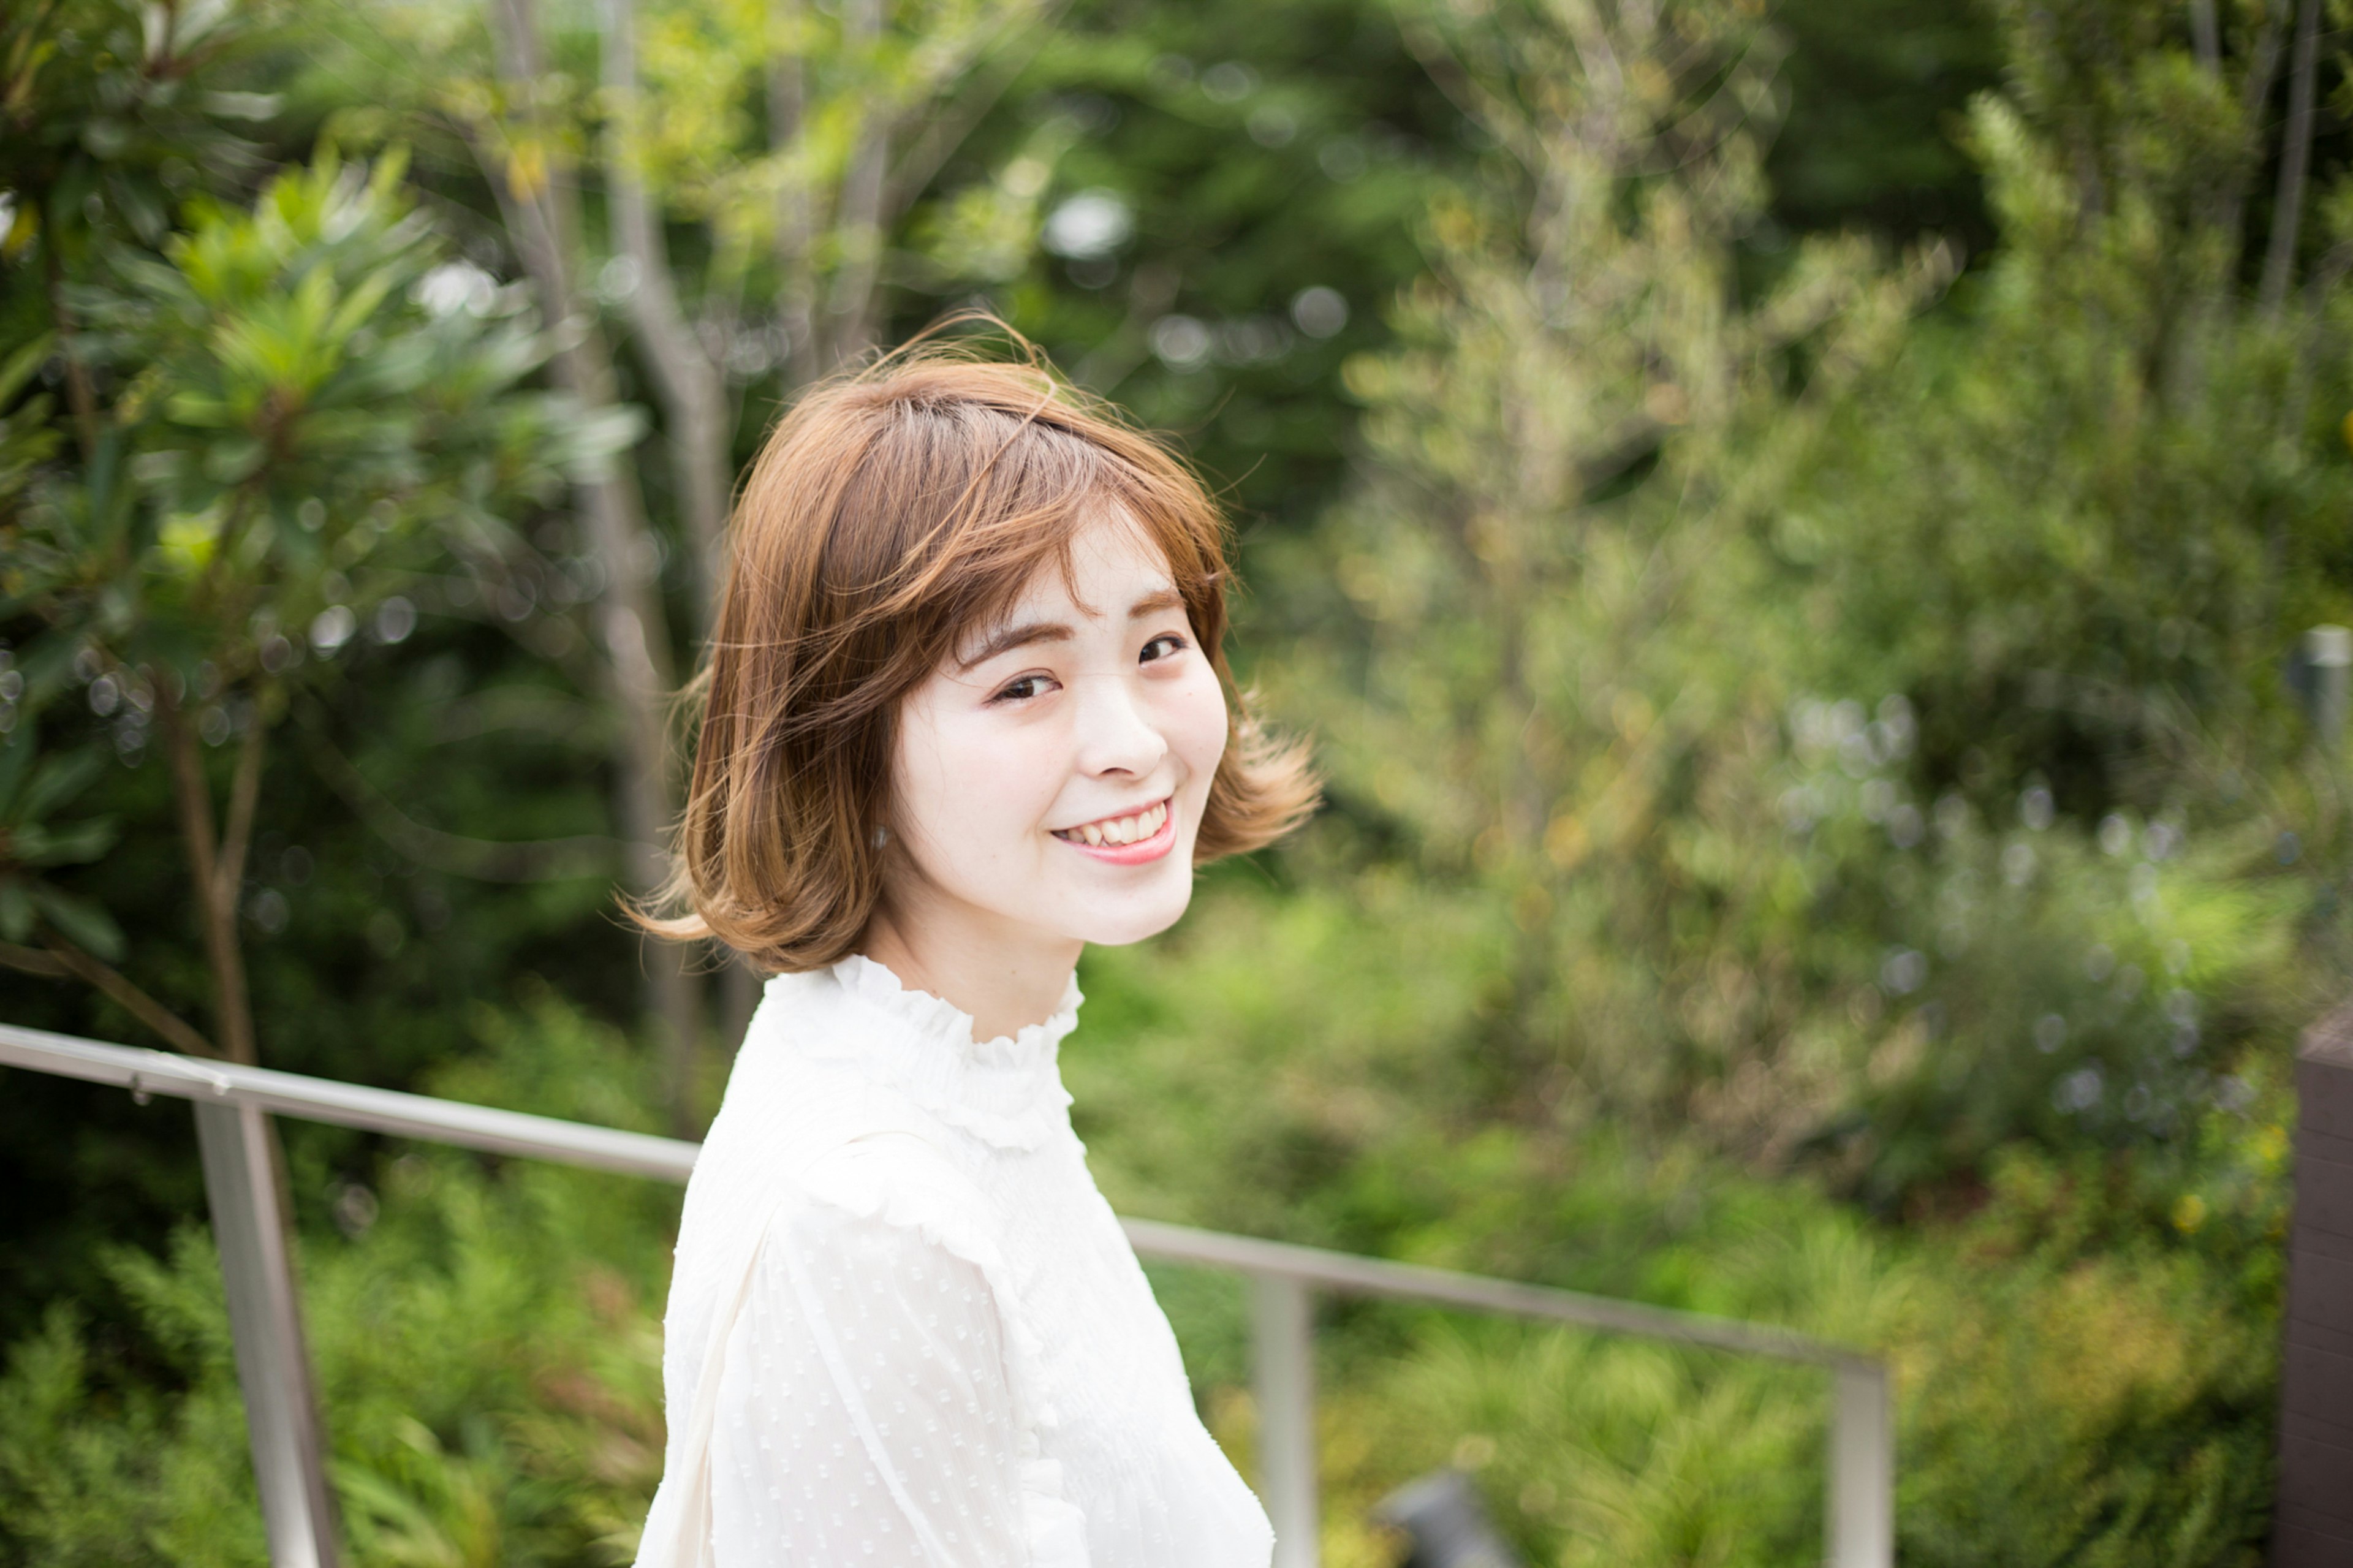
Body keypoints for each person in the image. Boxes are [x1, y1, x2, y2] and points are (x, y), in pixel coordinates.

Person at [631, 333, 1319, 1568]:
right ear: (841, 750)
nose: (1130, 741)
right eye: (1024, 684)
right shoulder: (872, 1218)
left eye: (1159, 646)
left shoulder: (962, 1069)